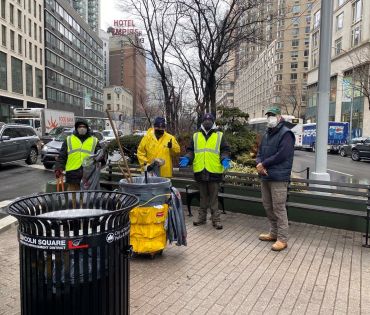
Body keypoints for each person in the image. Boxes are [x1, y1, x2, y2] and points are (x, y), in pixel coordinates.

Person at [180, 113, 231, 230]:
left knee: (214, 198)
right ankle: (202, 218)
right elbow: (191, 151)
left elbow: (225, 150)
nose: (207, 122)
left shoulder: (219, 135)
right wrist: (188, 157)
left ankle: (216, 220)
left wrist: (224, 158)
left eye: (210, 120)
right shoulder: (196, 135)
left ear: (213, 122)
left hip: (214, 171)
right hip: (200, 171)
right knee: (202, 197)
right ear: (202, 122)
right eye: (205, 120)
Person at [256, 106, 295, 251]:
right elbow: (259, 152)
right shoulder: (266, 133)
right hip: (265, 176)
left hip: (279, 177)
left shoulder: (286, 134)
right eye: (268, 115)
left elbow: (282, 155)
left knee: (279, 208)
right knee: (268, 206)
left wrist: (263, 164)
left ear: (279, 117)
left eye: (272, 115)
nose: (270, 117)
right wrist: (259, 163)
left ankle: (282, 239)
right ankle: (273, 233)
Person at [55, 119, 101, 191]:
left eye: (84, 127)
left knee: (86, 197)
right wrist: (59, 168)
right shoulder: (69, 139)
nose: (82, 128)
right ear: (76, 128)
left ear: (87, 128)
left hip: (88, 173)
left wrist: (102, 157)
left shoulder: (94, 140)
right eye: (80, 127)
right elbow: (62, 156)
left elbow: (99, 155)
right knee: (73, 197)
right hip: (73, 173)